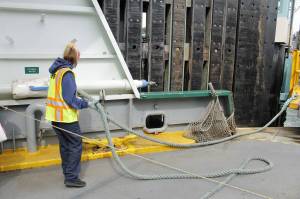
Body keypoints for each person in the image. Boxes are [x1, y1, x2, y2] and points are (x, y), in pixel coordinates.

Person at [45, 42, 89, 188]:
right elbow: (69, 99)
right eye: (79, 55)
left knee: (65, 146)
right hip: (66, 118)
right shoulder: (67, 73)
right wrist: (86, 103)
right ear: (75, 57)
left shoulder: (56, 71)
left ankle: (67, 173)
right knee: (75, 145)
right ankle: (71, 177)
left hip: (55, 117)